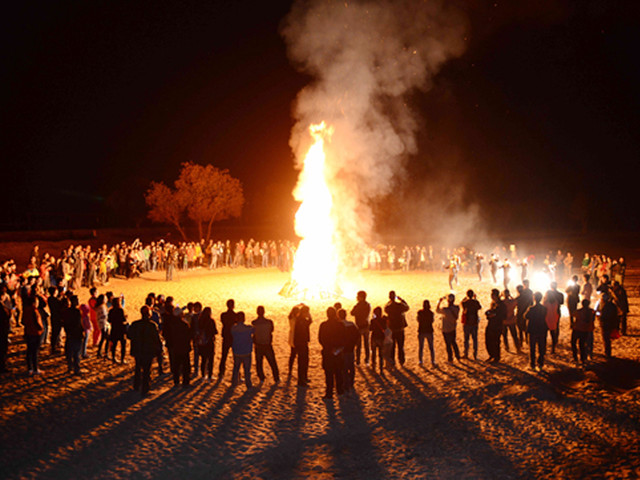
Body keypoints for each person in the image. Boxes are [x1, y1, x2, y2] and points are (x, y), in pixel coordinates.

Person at [127, 306, 162, 395]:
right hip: (147, 351)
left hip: (137, 350)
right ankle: (145, 389)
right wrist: (159, 349)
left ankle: (136, 386)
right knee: (146, 370)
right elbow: (156, 339)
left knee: (138, 368)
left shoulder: (135, 324)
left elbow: (129, 336)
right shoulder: (152, 325)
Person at [319, 307, 346, 399]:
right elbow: (343, 338)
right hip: (338, 351)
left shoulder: (323, 325)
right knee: (339, 372)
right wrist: (337, 347)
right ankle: (340, 390)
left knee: (328, 373)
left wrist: (328, 347)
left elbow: (321, 339)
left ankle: (329, 392)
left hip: (327, 352)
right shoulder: (340, 325)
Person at [252, 306, 279, 384]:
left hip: (258, 345)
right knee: (272, 362)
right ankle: (276, 377)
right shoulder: (269, 322)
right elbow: (271, 331)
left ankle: (261, 377)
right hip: (267, 344)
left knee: (259, 363)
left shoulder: (254, 323)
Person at [166, 307, 192, 387]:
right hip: (184, 347)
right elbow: (188, 336)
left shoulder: (171, 324)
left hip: (175, 347)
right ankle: (185, 382)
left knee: (176, 365)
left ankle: (176, 381)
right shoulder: (184, 324)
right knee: (185, 366)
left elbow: (169, 336)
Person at [384, 291, 409, 366]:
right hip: (400, 329)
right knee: (400, 346)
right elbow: (407, 307)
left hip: (392, 329)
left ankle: (392, 361)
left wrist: (389, 301)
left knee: (392, 347)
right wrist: (402, 300)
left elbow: (385, 309)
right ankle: (401, 360)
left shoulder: (389, 307)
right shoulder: (400, 305)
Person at [525, 292, 548, 371]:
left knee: (532, 348)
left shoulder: (531, 308)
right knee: (541, 347)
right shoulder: (544, 308)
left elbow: (526, 316)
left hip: (533, 329)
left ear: (534, 298)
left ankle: (533, 364)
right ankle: (540, 363)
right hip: (542, 329)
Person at [22, 296, 44, 375]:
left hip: (28, 332)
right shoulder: (34, 311)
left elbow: (23, 321)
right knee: (35, 351)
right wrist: (41, 329)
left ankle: (29, 368)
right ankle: (35, 368)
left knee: (29, 351)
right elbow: (37, 322)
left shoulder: (26, 310)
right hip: (35, 333)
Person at [231, 311, 253, 388]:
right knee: (247, 370)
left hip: (237, 351)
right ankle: (248, 384)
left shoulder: (233, 328)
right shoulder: (248, 328)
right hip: (246, 351)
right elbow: (254, 330)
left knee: (236, 368)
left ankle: (234, 383)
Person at [436, 294, 461, 362]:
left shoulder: (445, 310)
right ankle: (457, 355)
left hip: (446, 329)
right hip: (453, 328)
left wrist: (439, 302)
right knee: (453, 342)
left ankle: (450, 358)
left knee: (448, 344)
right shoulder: (457, 308)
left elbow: (437, 310)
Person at [195, 307, 217, 381]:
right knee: (210, 360)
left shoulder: (200, 320)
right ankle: (209, 375)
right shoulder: (211, 321)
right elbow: (215, 331)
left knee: (203, 360)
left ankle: (203, 375)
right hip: (209, 342)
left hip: (202, 343)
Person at [64, 295, 84, 375]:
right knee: (76, 352)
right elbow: (78, 323)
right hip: (76, 334)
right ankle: (76, 369)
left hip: (69, 333)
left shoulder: (67, 311)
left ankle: (70, 367)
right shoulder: (77, 312)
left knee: (69, 351)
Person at [350, 290, 371, 365]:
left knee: (358, 345)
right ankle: (367, 359)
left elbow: (352, 313)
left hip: (359, 327)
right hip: (366, 326)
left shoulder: (358, 306)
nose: (357, 298)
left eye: (358, 296)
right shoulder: (368, 305)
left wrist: (357, 307)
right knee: (366, 344)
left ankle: (358, 360)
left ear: (361, 297)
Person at [340, 308, 359, 392]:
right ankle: (351, 382)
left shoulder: (339, 325)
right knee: (351, 366)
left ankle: (345, 383)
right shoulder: (351, 324)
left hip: (342, 349)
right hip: (350, 348)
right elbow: (357, 335)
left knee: (343, 367)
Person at [293, 305, 312, 387]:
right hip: (301, 343)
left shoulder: (302, 320)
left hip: (303, 342)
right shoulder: (300, 320)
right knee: (302, 362)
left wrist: (309, 315)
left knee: (305, 361)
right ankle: (301, 380)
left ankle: (304, 377)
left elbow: (310, 322)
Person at [219, 299, 238, 378]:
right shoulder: (235, 315)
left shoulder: (223, 315)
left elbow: (223, 322)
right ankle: (237, 374)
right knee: (235, 357)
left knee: (224, 356)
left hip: (226, 336)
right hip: (233, 337)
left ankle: (221, 372)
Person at [485, 289, 505, 363]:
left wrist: (494, 315)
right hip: (491, 324)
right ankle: (492, 355)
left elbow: (503, 315)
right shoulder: (493, 303)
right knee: (489, 340)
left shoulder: (501, 304)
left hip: (497, 325)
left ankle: (496, 357)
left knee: (495, 341)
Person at [572, 299, 594, 365]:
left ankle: (575, 357)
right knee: (582, 345)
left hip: (577, 329)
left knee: (573, 343)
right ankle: (583, 358)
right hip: (586, 330)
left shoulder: (579, 311)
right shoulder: (591, 312)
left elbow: (573, 314)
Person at [461, 290, 481, 360]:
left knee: (466, 339)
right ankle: (475, 355)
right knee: (475, 339)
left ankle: (466, 353)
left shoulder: (466, 302)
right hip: (474, 322)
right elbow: (479, 307)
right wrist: (475, 299)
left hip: (467, 322)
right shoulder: (475, 302)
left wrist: (465, 299)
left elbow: (462, 305)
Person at [598, 293, 619, 360]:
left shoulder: (605, 306)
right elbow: (616, 316)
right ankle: (608, 353)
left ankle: (608, 354)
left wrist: (599, 318)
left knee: (606, 340)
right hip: (612, 324)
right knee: (608, 340)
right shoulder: (613, 306)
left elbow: (603, 317)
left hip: (606, 325)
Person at [108, 297, 128, 364]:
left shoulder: (111, 311)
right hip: (121, 329)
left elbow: (109, 320)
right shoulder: (120, 310)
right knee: (123, 345)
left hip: (114, 329)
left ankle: (113, 358)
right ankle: (122, 359)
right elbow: (123, 320)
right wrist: (126, 317)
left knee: (114, 344)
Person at [417, 300, 436, 366]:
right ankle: (433, 361)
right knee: (431, 347)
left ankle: (420, 361)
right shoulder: (431, 313)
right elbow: (432, 321)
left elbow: (418, 320)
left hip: (421, 330)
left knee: (421, 347)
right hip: (429, 330)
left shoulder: (420, 312)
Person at [543, 288, 561, 354]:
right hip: (553, 319)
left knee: (544, 335)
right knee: (553, 335)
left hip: (546, 319)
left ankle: (544, 349)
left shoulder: (545, 303)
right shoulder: (556, 302)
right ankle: (553, 348)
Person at [370, 306, 386, 372]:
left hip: (374, 337)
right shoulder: (383, 320)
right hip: (381, 338)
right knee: (381, 354)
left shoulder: (373, 321)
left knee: (373, 353)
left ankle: (373, 366)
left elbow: (370, 329)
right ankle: (381, 367)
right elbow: (385, 328)